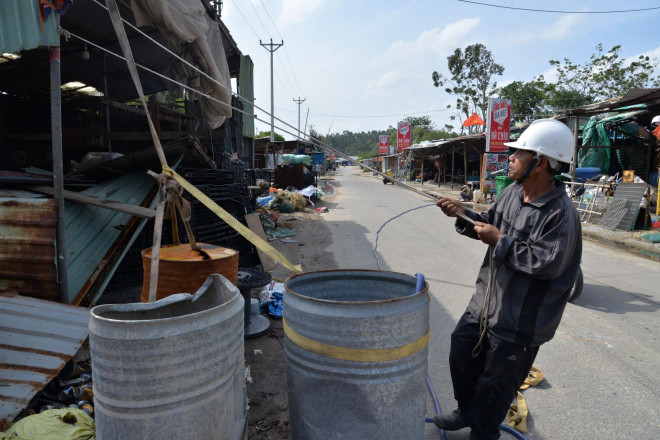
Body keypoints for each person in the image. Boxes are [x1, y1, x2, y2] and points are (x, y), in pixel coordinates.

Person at [434, 119, 582, 440]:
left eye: (518, 153)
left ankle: (482, 432)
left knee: (495, 390)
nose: (510, 158)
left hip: (519, 323)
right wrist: (461, 213)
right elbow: (487, 223)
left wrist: (499, 240)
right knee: (461, 353)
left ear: (540, 162)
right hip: (484, 306)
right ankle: (465, 411)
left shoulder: (561, 214)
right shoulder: (513, 193)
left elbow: (547, 263)